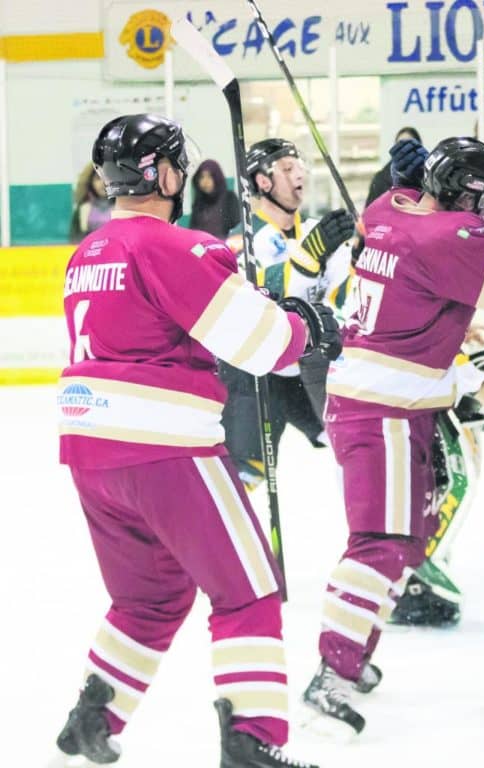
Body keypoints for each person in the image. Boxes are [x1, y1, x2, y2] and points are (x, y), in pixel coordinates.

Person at [53, 113, 339, 767]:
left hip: (91, 449)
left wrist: (251, 300)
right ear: (168, 172)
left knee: (149, 596)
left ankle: (94, 714)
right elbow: (261, 345)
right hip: (166, 447)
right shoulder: (171, 247)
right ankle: (254, 740)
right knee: (248, 590)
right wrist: (307, 326)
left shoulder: (88, 251)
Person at [300, 137, 484, 737]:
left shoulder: (388, 209)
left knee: (406, 538)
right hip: (386, 410)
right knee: (382, 541)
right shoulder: (448, 238)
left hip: (380, 400)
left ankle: (352, 651)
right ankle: (332, 673)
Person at [220, 139, 354, 490]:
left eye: (300, 166)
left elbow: (342, 295)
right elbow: (260, 299)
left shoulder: (314, 231)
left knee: (352, 442)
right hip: (258, 373)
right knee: (245, 474)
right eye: (288, 168)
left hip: (308, 367)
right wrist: (304, 265)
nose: (301, 174)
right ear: (263, 181)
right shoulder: (243, 241)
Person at [365, 126, 422, 207]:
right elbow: (369, 212)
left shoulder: (427, 179)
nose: (404, 149)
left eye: (408, 145)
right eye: (400, 144)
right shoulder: (381, 179)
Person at [189, 158, 241, 238]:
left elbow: (237, 229)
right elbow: (193, 232)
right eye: (202, 177)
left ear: (217, 177)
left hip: (225, 247)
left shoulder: (229, 198)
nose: (205, 181)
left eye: (209, 176)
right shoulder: (199, 202)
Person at [68, 162, 112, 242]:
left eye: (107, 178)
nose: (103, 183)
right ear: (90, 183)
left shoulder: (122, 206)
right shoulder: (83, 208)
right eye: (98, 179)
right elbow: (75, 239)